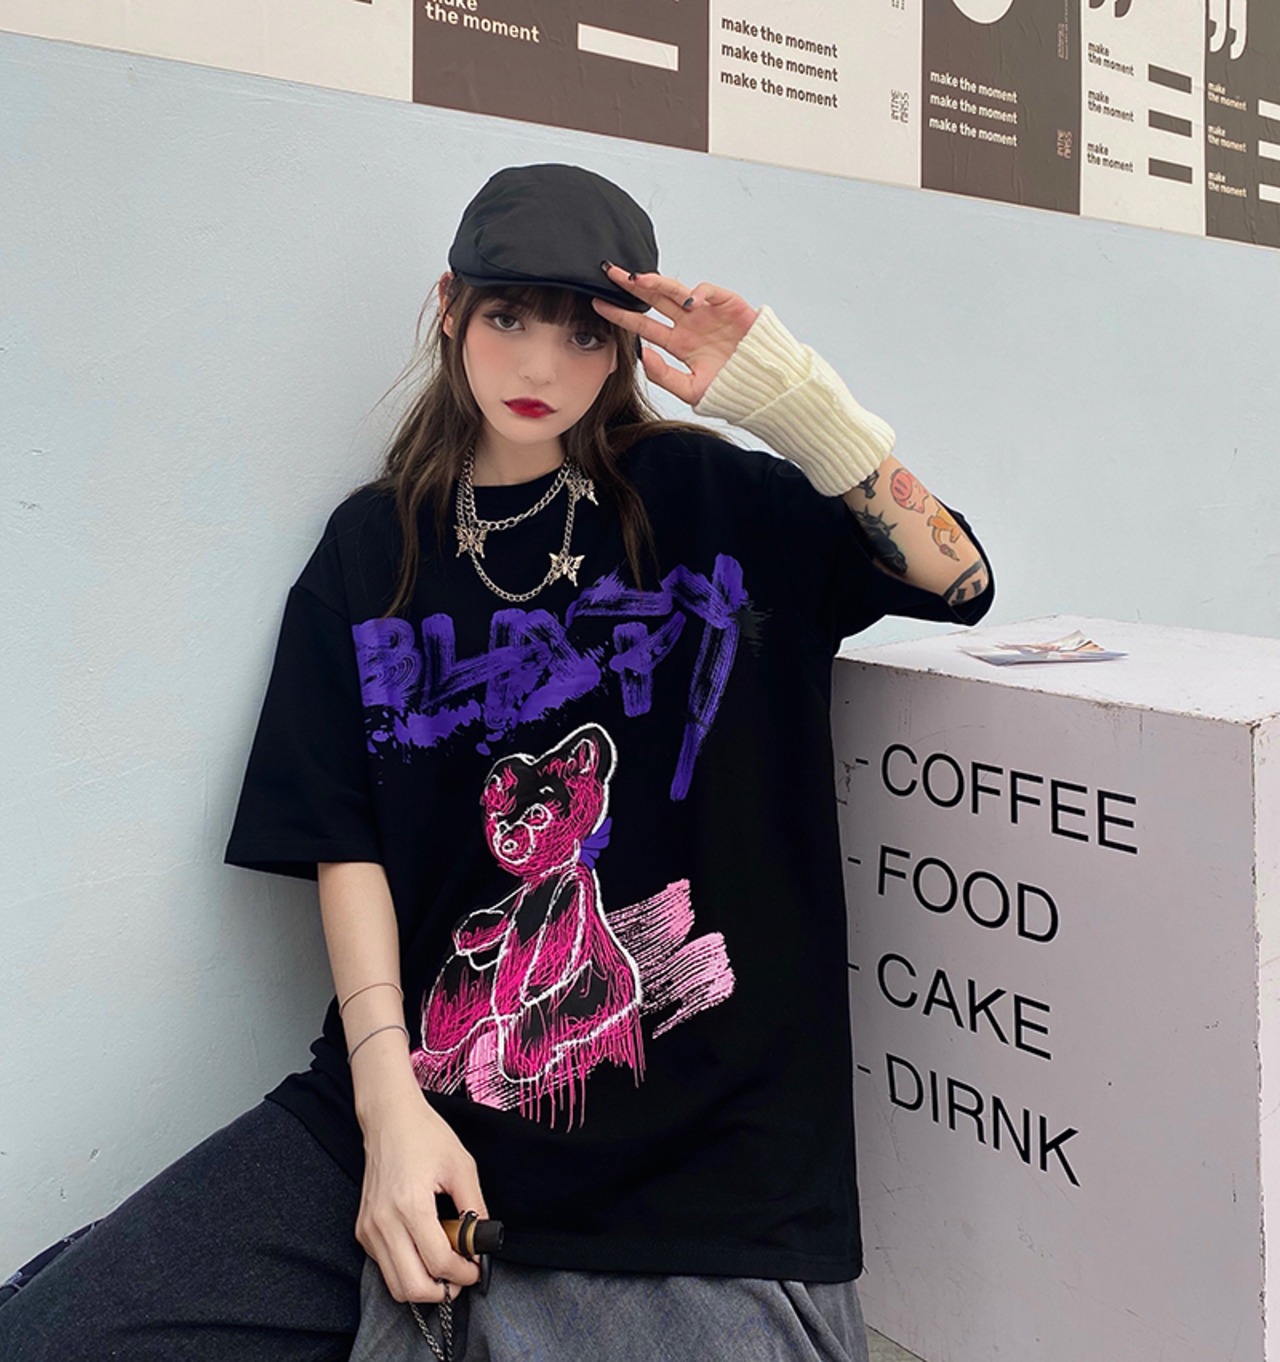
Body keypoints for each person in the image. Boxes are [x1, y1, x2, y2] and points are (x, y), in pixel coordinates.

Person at [0, 163, 993, 1362]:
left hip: (690, 1174)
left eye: (584, 334)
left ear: (621, 349)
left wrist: (799, 406)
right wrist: (387, 1109)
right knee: (54, 1332)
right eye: (508, 318)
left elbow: (955, 579)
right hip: (407, 1106)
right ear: (448, 308)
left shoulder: (710, 500)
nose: (539, 366)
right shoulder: (373, 548)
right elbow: (343, 841)